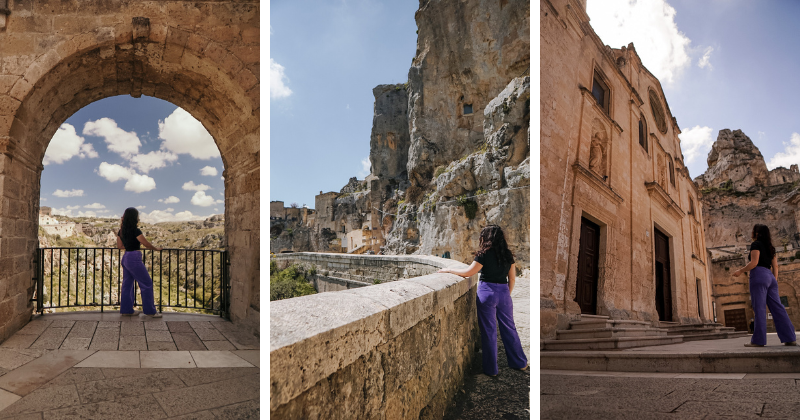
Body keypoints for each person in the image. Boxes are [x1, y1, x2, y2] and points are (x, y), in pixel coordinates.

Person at [437, 225, 528, 376]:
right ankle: (520, 362)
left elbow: (468, 272)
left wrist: (449, 270)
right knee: (509, 328)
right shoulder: (507, 255)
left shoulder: (484, 254)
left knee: (489, 331)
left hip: (487, 292)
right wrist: (506, 294)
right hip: (504, 292)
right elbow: (512, 278)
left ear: (485, 238)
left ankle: (491, 369)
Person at [733, 224, 796, 347]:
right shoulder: (770, 247)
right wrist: (774, 280)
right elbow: (775, 266)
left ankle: (758, 340)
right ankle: (790, 338)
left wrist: (740, 271)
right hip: (771, 277)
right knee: (778, 308)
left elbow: (754, 263)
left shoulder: (756, 244)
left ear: (756, 233)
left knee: (759, 309)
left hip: (759, 275)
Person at [116, 207, 163, 318]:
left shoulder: (121, 231)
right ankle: (150, 312)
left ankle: (126, 310)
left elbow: (120, 246)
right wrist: (156, 249)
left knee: (127, 285)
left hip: (126, 257)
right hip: (134, 258)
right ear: (135, 217)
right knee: (146, 283)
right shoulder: (136, 231)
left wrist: (129, 246)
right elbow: (146, 244)